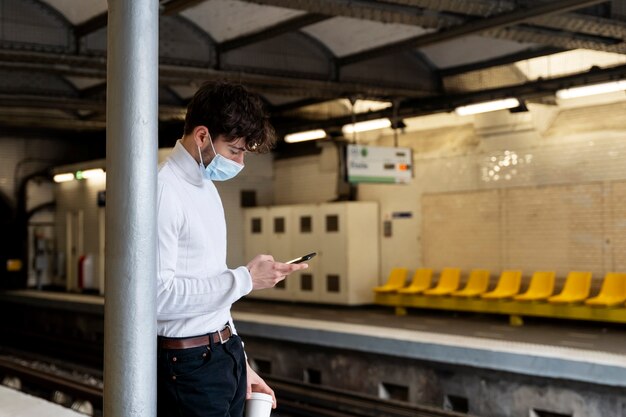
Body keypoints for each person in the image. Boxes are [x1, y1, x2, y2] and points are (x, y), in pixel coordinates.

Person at [156, 81, 308, 417]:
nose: (240, 162)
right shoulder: (164, 192)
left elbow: (210, 287)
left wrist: (241, 361)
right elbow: (157, 297)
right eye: (235, 151)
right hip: (188, 367)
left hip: (221, 355)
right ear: (202, 137)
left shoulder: (205, 187)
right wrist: (246, 279)